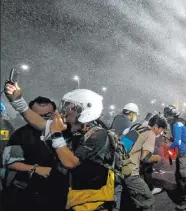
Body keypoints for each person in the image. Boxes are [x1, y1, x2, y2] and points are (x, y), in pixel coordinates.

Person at [4, 82, 117, 211]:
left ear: (85, 110)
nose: (64, 110)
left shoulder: (98, 135)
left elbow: (71, 162)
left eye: (70, 107)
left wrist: (56, 134)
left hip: (90, 201)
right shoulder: (75, 128)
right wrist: (17, 101)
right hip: (72, 198)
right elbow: (41, 123)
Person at [2, 96, 68, 211]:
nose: (43, 119)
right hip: (26, 192)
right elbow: (11, 162)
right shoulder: (21, 134)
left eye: (47, 116)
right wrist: (35, 169)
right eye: (38, 116)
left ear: (55, 113)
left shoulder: (65, 133)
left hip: (58, 193)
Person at [123, 114, 167, 211]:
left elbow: (124, 143)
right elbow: (146, 158)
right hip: (131, 173)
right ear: (156, 127)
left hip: (119, 166)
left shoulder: (137, 126)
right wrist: (158, 158)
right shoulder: (150, 133)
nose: (160, 132)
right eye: (161, 129)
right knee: (149, 201)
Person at [164, 105, 186, 210]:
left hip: (183, 152)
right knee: (179, 175)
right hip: (184, 151)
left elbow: (177, 142)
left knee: (182, 177)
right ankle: (183, 196)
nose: (166, 117)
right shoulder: (179, 122)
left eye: (167, 114)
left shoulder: (176, 124)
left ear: (173, 114)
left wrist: (167, 148)